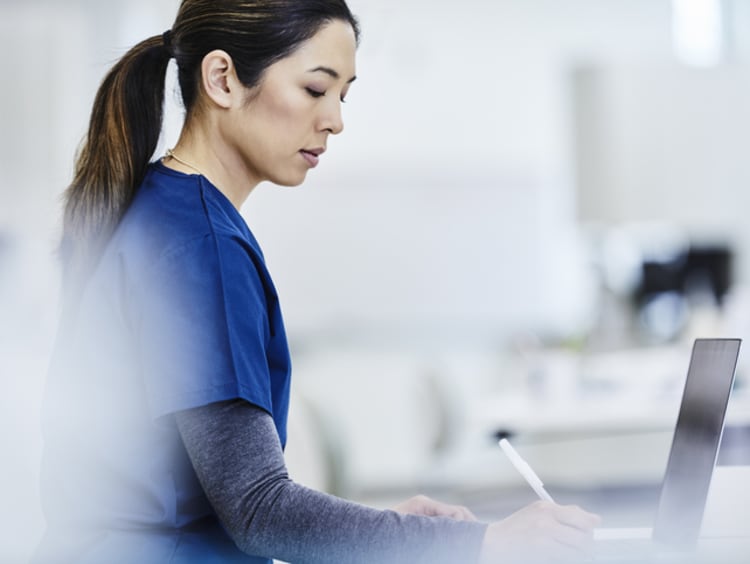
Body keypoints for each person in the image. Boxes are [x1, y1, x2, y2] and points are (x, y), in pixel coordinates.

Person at [34, 1, 600, 562]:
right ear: (222, 79)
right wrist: (481, 542)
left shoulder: (160, 209)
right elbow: (259, 510)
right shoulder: (201, 245)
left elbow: (226, 500)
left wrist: (391, 529)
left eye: (342, 95)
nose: (335, 119)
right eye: (315, 89)